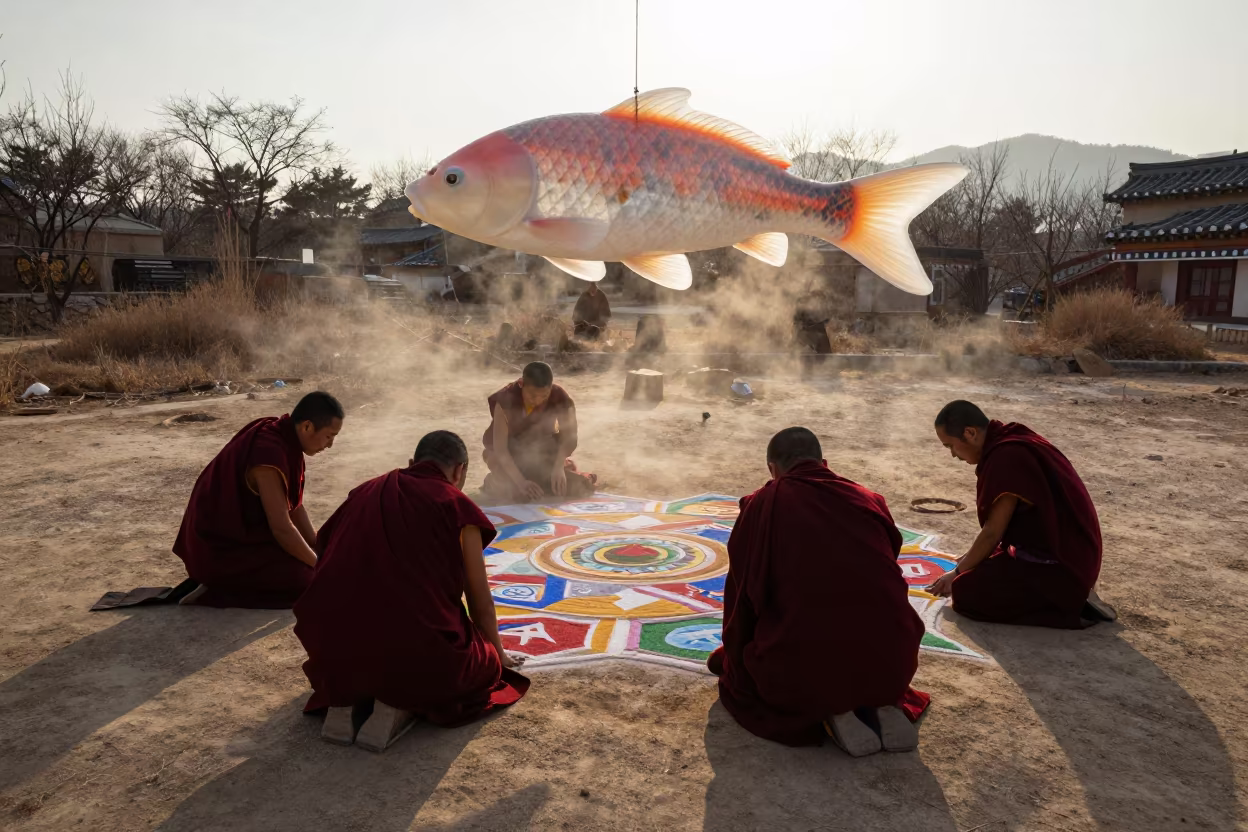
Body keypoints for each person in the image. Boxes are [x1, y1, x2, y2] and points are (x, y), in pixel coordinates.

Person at [293, 431, 530, 750]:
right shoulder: (455, 504)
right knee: (482, 661)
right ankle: (395, 702)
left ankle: (346, 700)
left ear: (411, 463)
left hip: (335, 650)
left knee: (370, 632)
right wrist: (498, 654)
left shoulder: (366, 491)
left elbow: (325, 553)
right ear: (459, 470)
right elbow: (480, 602)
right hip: (411, 653)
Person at [708, 427, 930, 755]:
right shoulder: (868, 498)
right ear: (823, 462)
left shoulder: (762, 504)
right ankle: (884, 701)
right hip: (893, 656)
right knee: (861, 620)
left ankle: (836, 710)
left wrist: (735, 657)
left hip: (809, 663)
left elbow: (743, 597)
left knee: (774, 655)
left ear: (772, 468)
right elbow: (884, 567)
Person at [927, 400, 1115, 629]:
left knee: (964, 590)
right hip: (1073, 554)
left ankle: (1069, 606)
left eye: (950, 446)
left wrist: (956, 573)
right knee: (976, 562)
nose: (953, 455)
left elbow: (993, 532)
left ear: (970, 433)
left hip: (1060, 567)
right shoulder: (1013, 438)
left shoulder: (1007, 457)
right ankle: (1069, 595)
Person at [173, 391, 344, 609]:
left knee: (312, 560)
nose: (330, 445)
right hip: (219, 550)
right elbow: (282, 528)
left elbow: (294, 506)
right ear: (307, 427)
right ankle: (214, 587)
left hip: (245, 540)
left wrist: (318, 547)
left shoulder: (285, 439)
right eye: (329, 436)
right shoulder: (268, 452)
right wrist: (319, 566)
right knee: (307, 580)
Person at [481, 361, 596, 502]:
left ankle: (548, 476)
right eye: (532, 395)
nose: (538, 401)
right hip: (512, 455)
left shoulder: (559, 396)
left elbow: (569, 436)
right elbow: (501, 450)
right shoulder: (506, 400)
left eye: (544, 396)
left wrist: (558, 467)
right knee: (511, 492)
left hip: (543, 454)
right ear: (521, 384)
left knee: (575, 486)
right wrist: (521, 483)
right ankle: (497, 481)